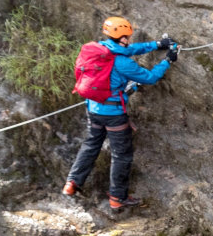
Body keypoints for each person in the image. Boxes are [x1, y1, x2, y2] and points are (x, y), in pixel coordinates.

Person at [63, 16, 175, 213]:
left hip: (93, 108)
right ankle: (117, 198)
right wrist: (168, 60)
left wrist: (157, 45)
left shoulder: (99, 49)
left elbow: (128, 50)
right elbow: (150, 78)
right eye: (127, 37)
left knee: (91, 145)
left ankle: (72, 183)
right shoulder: (123, 64)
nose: (129, 40)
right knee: (121, 155)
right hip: (114, 114)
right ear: (122, 37)